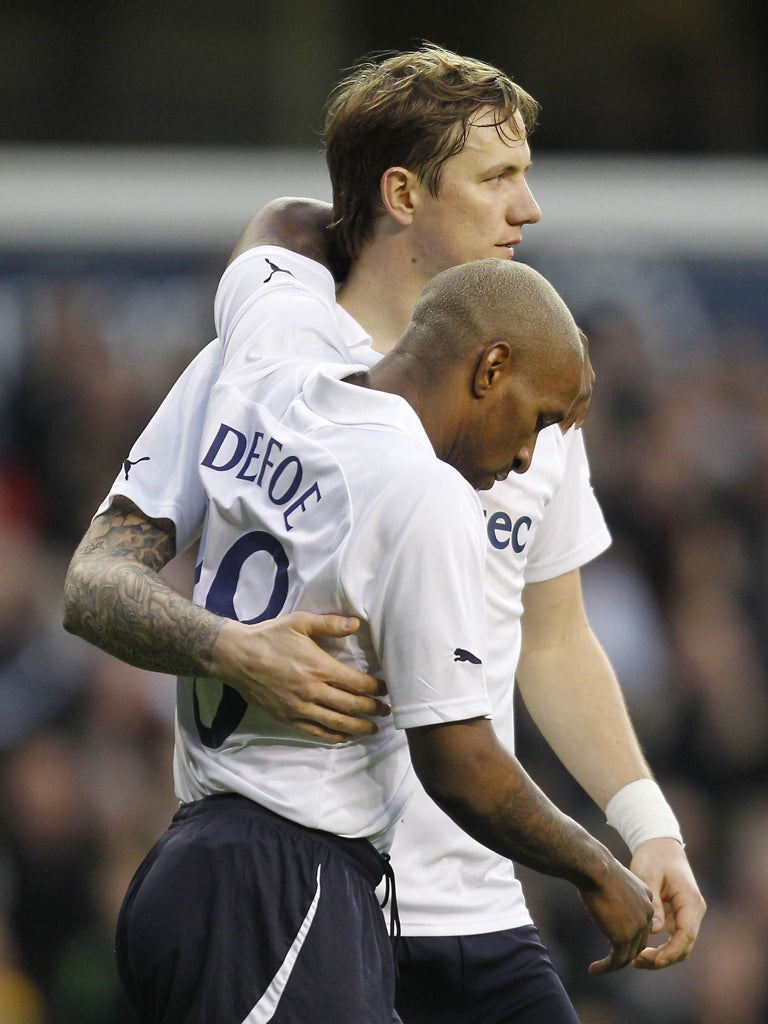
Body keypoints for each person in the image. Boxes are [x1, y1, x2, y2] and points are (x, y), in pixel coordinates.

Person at [63, 43, 705, 1023]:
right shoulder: (256, 366)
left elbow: (555, 636)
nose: (528, 208)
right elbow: (97, 579)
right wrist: (230, 648)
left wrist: (647, 827)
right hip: (301, 871)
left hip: (470, 899)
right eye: (498, 177)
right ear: (403, 193)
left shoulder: (528, 394)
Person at [110, 256, 656, 1024]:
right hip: (282, 882)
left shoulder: (270, 376)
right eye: (537, 418)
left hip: (205, 865)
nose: (532, 456)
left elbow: (272, 235)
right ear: (490, 366)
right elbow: (457, 762)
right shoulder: (424, 493)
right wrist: (597, 867)